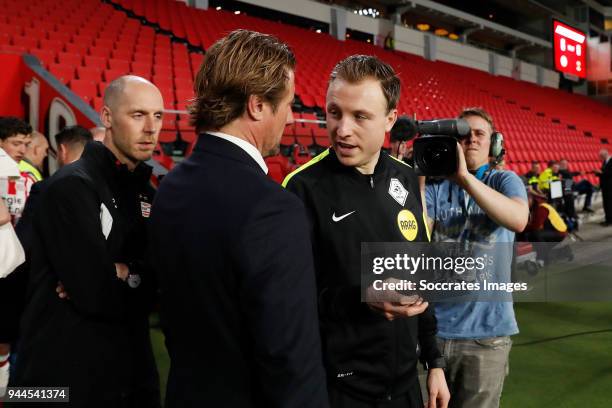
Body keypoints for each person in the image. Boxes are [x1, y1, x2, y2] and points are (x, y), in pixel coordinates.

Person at [148, 30, 328, 408]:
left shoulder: (171, 186)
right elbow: (290, 359)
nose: (292, 117)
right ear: (258, 105)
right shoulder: (273, 208)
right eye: (288, 103)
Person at [283, 55, 449, 408]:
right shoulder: (301, 189)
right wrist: (362, 296)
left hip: (406, 386)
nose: (343, 129)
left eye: (360, 117)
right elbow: (288, 305)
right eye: (334, 112)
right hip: (339, 390)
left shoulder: (404, 176)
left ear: (389, 119)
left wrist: (434, 361)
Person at [10, 76, 162, 407]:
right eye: (138, 115)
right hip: (59, 381)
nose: (151, 127)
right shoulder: (69, 186)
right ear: (107, 117)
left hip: (130, 378)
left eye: (158, 116)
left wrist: (123, 271)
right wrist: (129, 278)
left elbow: (163, 283)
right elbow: (96, 293)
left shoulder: (148, 194)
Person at [425, 107, 529, 408]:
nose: (471, 139)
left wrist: (464, 178)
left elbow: (518, 219)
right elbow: (418, 234)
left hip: (488, 336)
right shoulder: (435, 186)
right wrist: (418, 178)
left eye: (479, 134)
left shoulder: (504, 180)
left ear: (493, 143)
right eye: (463, 134)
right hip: (436, 333)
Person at [0, 117, 33, 386]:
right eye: (15, 142)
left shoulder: (27, 174)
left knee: (7, 335)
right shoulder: (6, 170)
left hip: (13, 263)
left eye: (25, 143)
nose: (21, 148)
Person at [595, 149, 612, 226]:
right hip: (605, 186)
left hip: (609, 186)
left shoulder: (611, 161)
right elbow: (603, 173)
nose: (600, 158)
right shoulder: (605, 162)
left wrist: (601, 173)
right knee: (606, 203)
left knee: (609, 203)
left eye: (601, 156)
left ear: (605, 154)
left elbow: (609, 173)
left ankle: (609, 220)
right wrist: (598, 173)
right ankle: (608, 219)